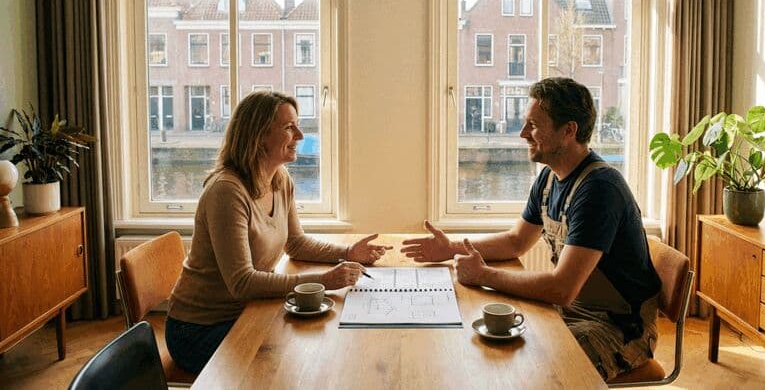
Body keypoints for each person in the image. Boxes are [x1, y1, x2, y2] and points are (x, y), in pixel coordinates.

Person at [401, 77, 661, 381]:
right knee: (488, 349)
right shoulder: (549, 178)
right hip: (573, 312)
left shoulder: (599, 190)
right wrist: (450, 248)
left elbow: (561, 289)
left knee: (528, 370)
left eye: (533, 125)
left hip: (618, 328)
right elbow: (516, 241)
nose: (523, 133)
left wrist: (484, 275)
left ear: (568, 131)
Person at [166, 91, 391, 374]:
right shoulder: (226, 192)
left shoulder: (280, 180)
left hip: (249, 310)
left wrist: (347, 253)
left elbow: (296, 243)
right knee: (294, 359)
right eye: (288, 127)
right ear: (259, 136)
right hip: (199, 329)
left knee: (312, 346)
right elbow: (242, 283)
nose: (300, 135)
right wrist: (322, 281)